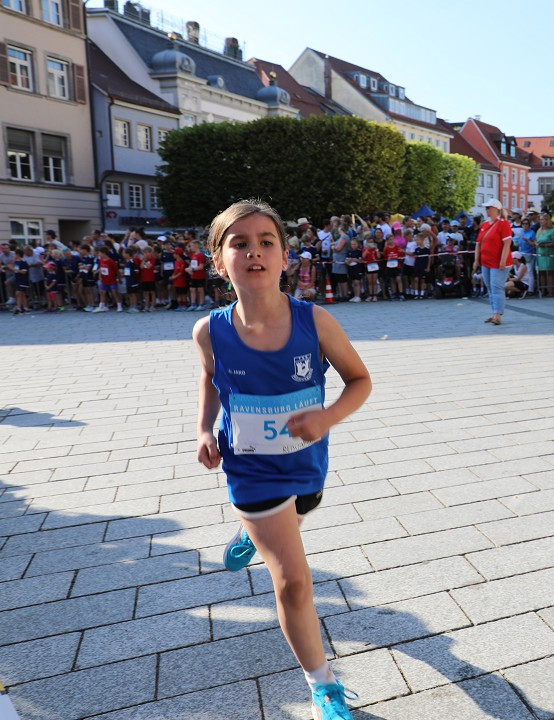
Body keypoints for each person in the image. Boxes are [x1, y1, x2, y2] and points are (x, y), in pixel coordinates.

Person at [193, 199, 370, 720]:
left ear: (285, 257)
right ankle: (324, 687)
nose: (254, 251)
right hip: (248, 469)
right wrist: (205, 427)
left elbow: (360, 381)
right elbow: (209, 375)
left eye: (266, 241)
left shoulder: (314, 322)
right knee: (293, 581)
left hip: (306, 465)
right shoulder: (209, 331)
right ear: (219, 262)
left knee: (299, 512)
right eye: (239, 243)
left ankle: (257, 534)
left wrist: (328, 417)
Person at [473, 198, 513, 325]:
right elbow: (478, 244)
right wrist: (476, 260)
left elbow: (507, 243)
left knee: (496, 287)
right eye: (486, 208)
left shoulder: (503, 223)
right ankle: (494, 312)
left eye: (489, 208)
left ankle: (497, 314)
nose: (487, 210)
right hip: (486, 262)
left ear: (497, 209)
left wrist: (502, 260)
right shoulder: (484, 225)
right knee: (490, 288)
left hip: (498, 262)